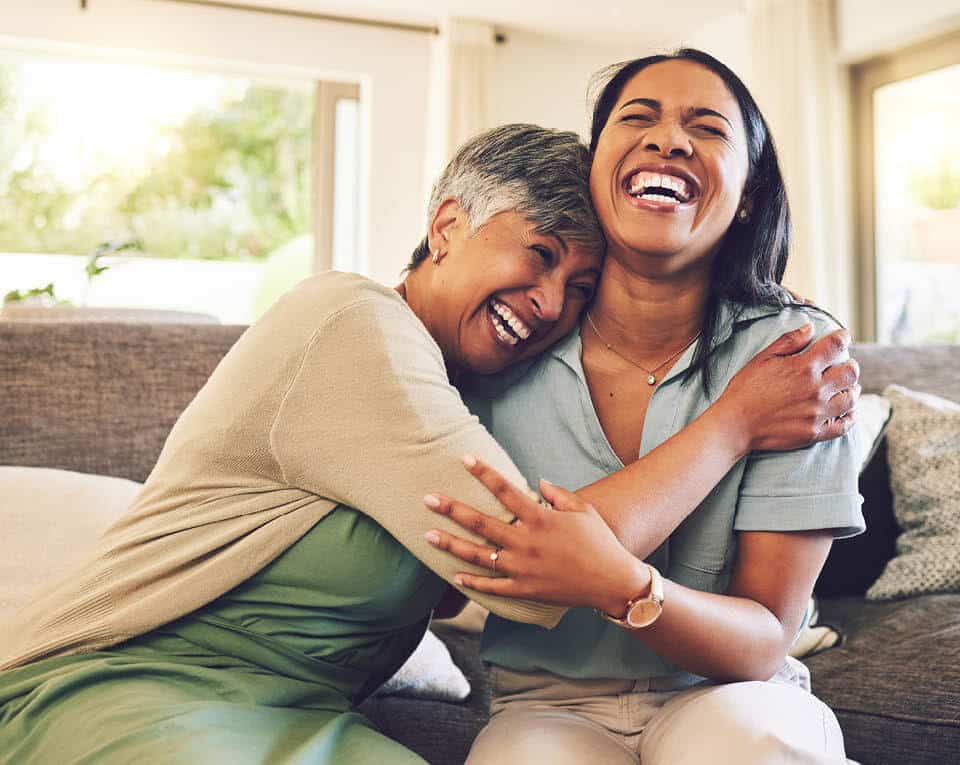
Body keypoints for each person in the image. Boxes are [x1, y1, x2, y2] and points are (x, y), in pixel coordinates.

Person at [0, 124, 856, 765]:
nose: (551, 301)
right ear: (447, 224)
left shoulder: (468, 392)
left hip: (299, 711)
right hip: (125, 684)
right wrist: (735, 421)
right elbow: (522, 563)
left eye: (579, 285)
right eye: (539, 254)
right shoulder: (351, 320)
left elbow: (441, 588)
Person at [425, 50, 864, 764]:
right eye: (638, 117)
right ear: (594, 172)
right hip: (546, 701)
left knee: (751, 747)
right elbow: (476, 561)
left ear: (749, 192)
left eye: (707, 127)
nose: (669, 139)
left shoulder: (796, 357)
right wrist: (732, 424)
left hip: (729, 692)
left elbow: (763, 638)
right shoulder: (508, 334)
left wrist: (630, 588)